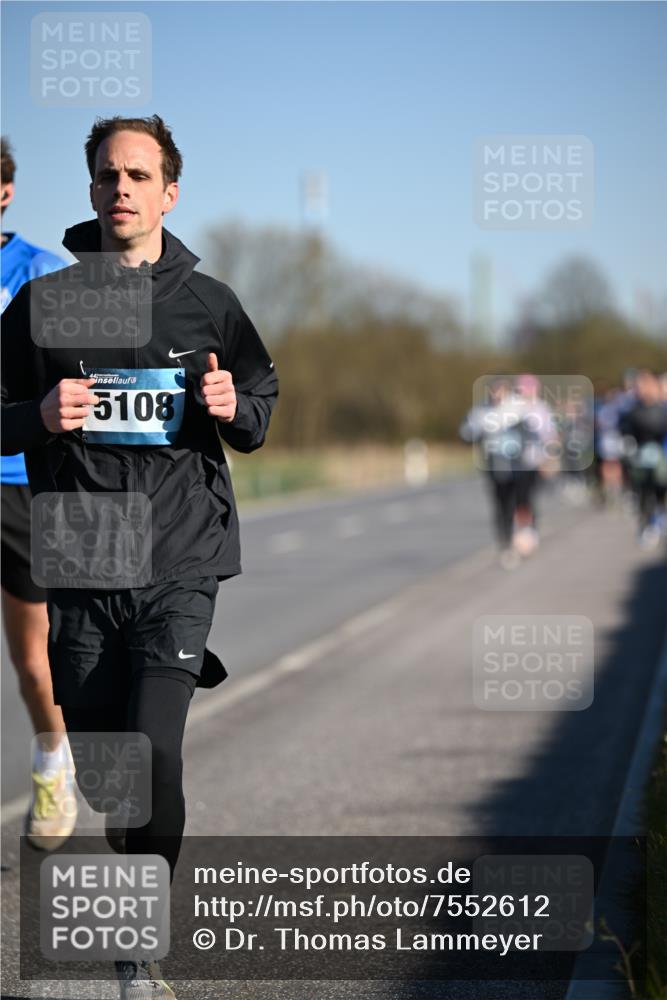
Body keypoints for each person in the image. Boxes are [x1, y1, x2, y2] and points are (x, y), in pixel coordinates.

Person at [1, 115, 278, 999]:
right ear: (90, 190)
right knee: (116, 773)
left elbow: (260, 411)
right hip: (81, 559)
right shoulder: (44, 305)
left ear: (168, 191)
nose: (120, 188)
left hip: (177, 560)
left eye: (137, 174)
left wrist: (234, 406)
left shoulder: (211, 305)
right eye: (106, 175)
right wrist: (35, 418)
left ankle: (139, 947)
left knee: (156, 753)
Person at [0, 136, 77, 850]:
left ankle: (54, 765)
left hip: (19, 485)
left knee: (32, 659)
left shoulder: (39, 273)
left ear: (4, 192)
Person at [619, 368, 667, 547]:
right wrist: (628, 444)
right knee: (644, 492)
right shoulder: (632, 410)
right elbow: (625, 429)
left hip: (661, 455)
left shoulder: (662, 409)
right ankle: (647, 525)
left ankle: (659, 514)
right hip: (640, 457)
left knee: (659, 489)